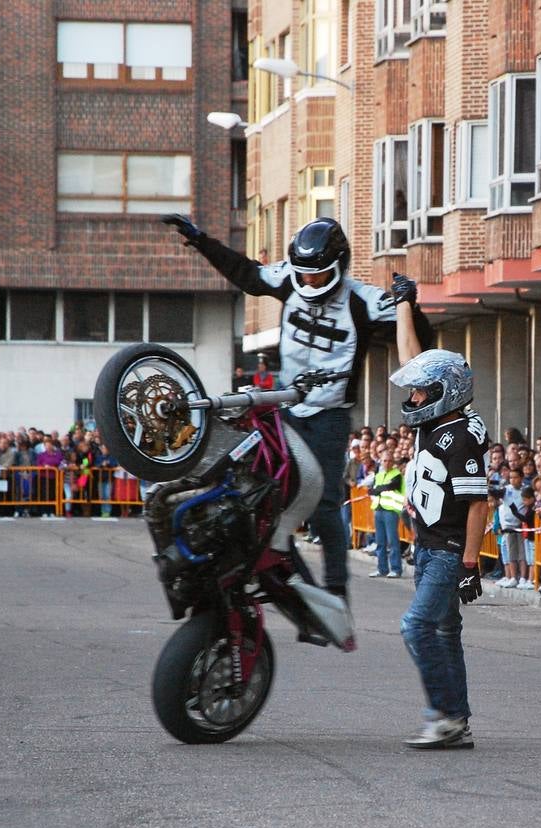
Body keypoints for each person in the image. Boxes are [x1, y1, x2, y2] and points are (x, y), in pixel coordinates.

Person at [163, 212, 433, 599]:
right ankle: (290, 577)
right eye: (303, 273)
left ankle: (337, 590)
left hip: (329, 416)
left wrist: (410, 304)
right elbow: (247, 274)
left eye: (317, 275)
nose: (308, 281)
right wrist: (202, 240)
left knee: (323, 502)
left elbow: (419, 339)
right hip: (285, 407)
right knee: (265, 493)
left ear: (337, 266)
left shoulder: (363, 300)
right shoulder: (289, 279)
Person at [389, 349, 489, 749]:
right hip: (427, 546)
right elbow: (410, 351)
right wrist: (403, 307)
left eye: (420, 392)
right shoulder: (433, 422)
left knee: (416, 626)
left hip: (448, 551)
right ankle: (458, 720)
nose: (413, 399)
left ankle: (444, 715)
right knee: (446, 632)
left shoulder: (462, 436)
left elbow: (478, 502)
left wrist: (469, 562)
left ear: (445, 392)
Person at [366, 447, 405, 579]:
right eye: (384, 461)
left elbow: (390, 486)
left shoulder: (397, 475)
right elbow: (371, 490)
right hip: (378, 510)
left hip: (390, 511)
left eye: (389, 460)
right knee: (380, 542)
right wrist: (376, 489)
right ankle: (382, 569)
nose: (387, 463)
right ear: (381, 462)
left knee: (392, 542)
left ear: (393, 461)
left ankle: (396, 569)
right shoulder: (379, 475)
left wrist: (377, 489)